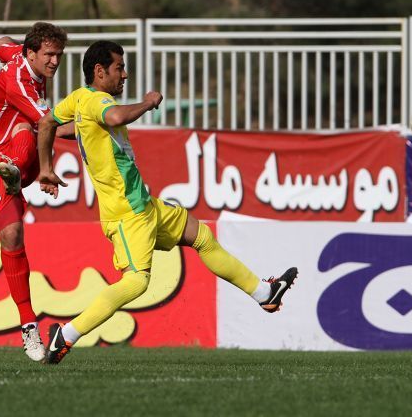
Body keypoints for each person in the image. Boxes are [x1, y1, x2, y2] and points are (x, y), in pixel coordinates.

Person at [36, 40, 298, 364]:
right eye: (119, 67)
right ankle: (67, 335)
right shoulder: (98, 101)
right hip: (127, 212)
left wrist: (46, 167)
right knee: (136, 282)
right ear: (100, 71)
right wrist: (148, 102)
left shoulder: (79, 99)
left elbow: (48, 124)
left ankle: (265, 293)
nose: (125, 74)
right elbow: (114, 116)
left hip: (144, 205)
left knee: (202, 236)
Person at [0, 22, 74, 361]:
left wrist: (43, 169)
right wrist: (100, 121)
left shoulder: (19, 56)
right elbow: (53, 126)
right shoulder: (19, 81)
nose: (55, 61)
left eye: (59, 55)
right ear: (31, 53)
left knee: (25, 131)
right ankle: (29, 327)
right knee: (12, 235)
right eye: (49, 54)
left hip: (18, 156)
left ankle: (14, 172)